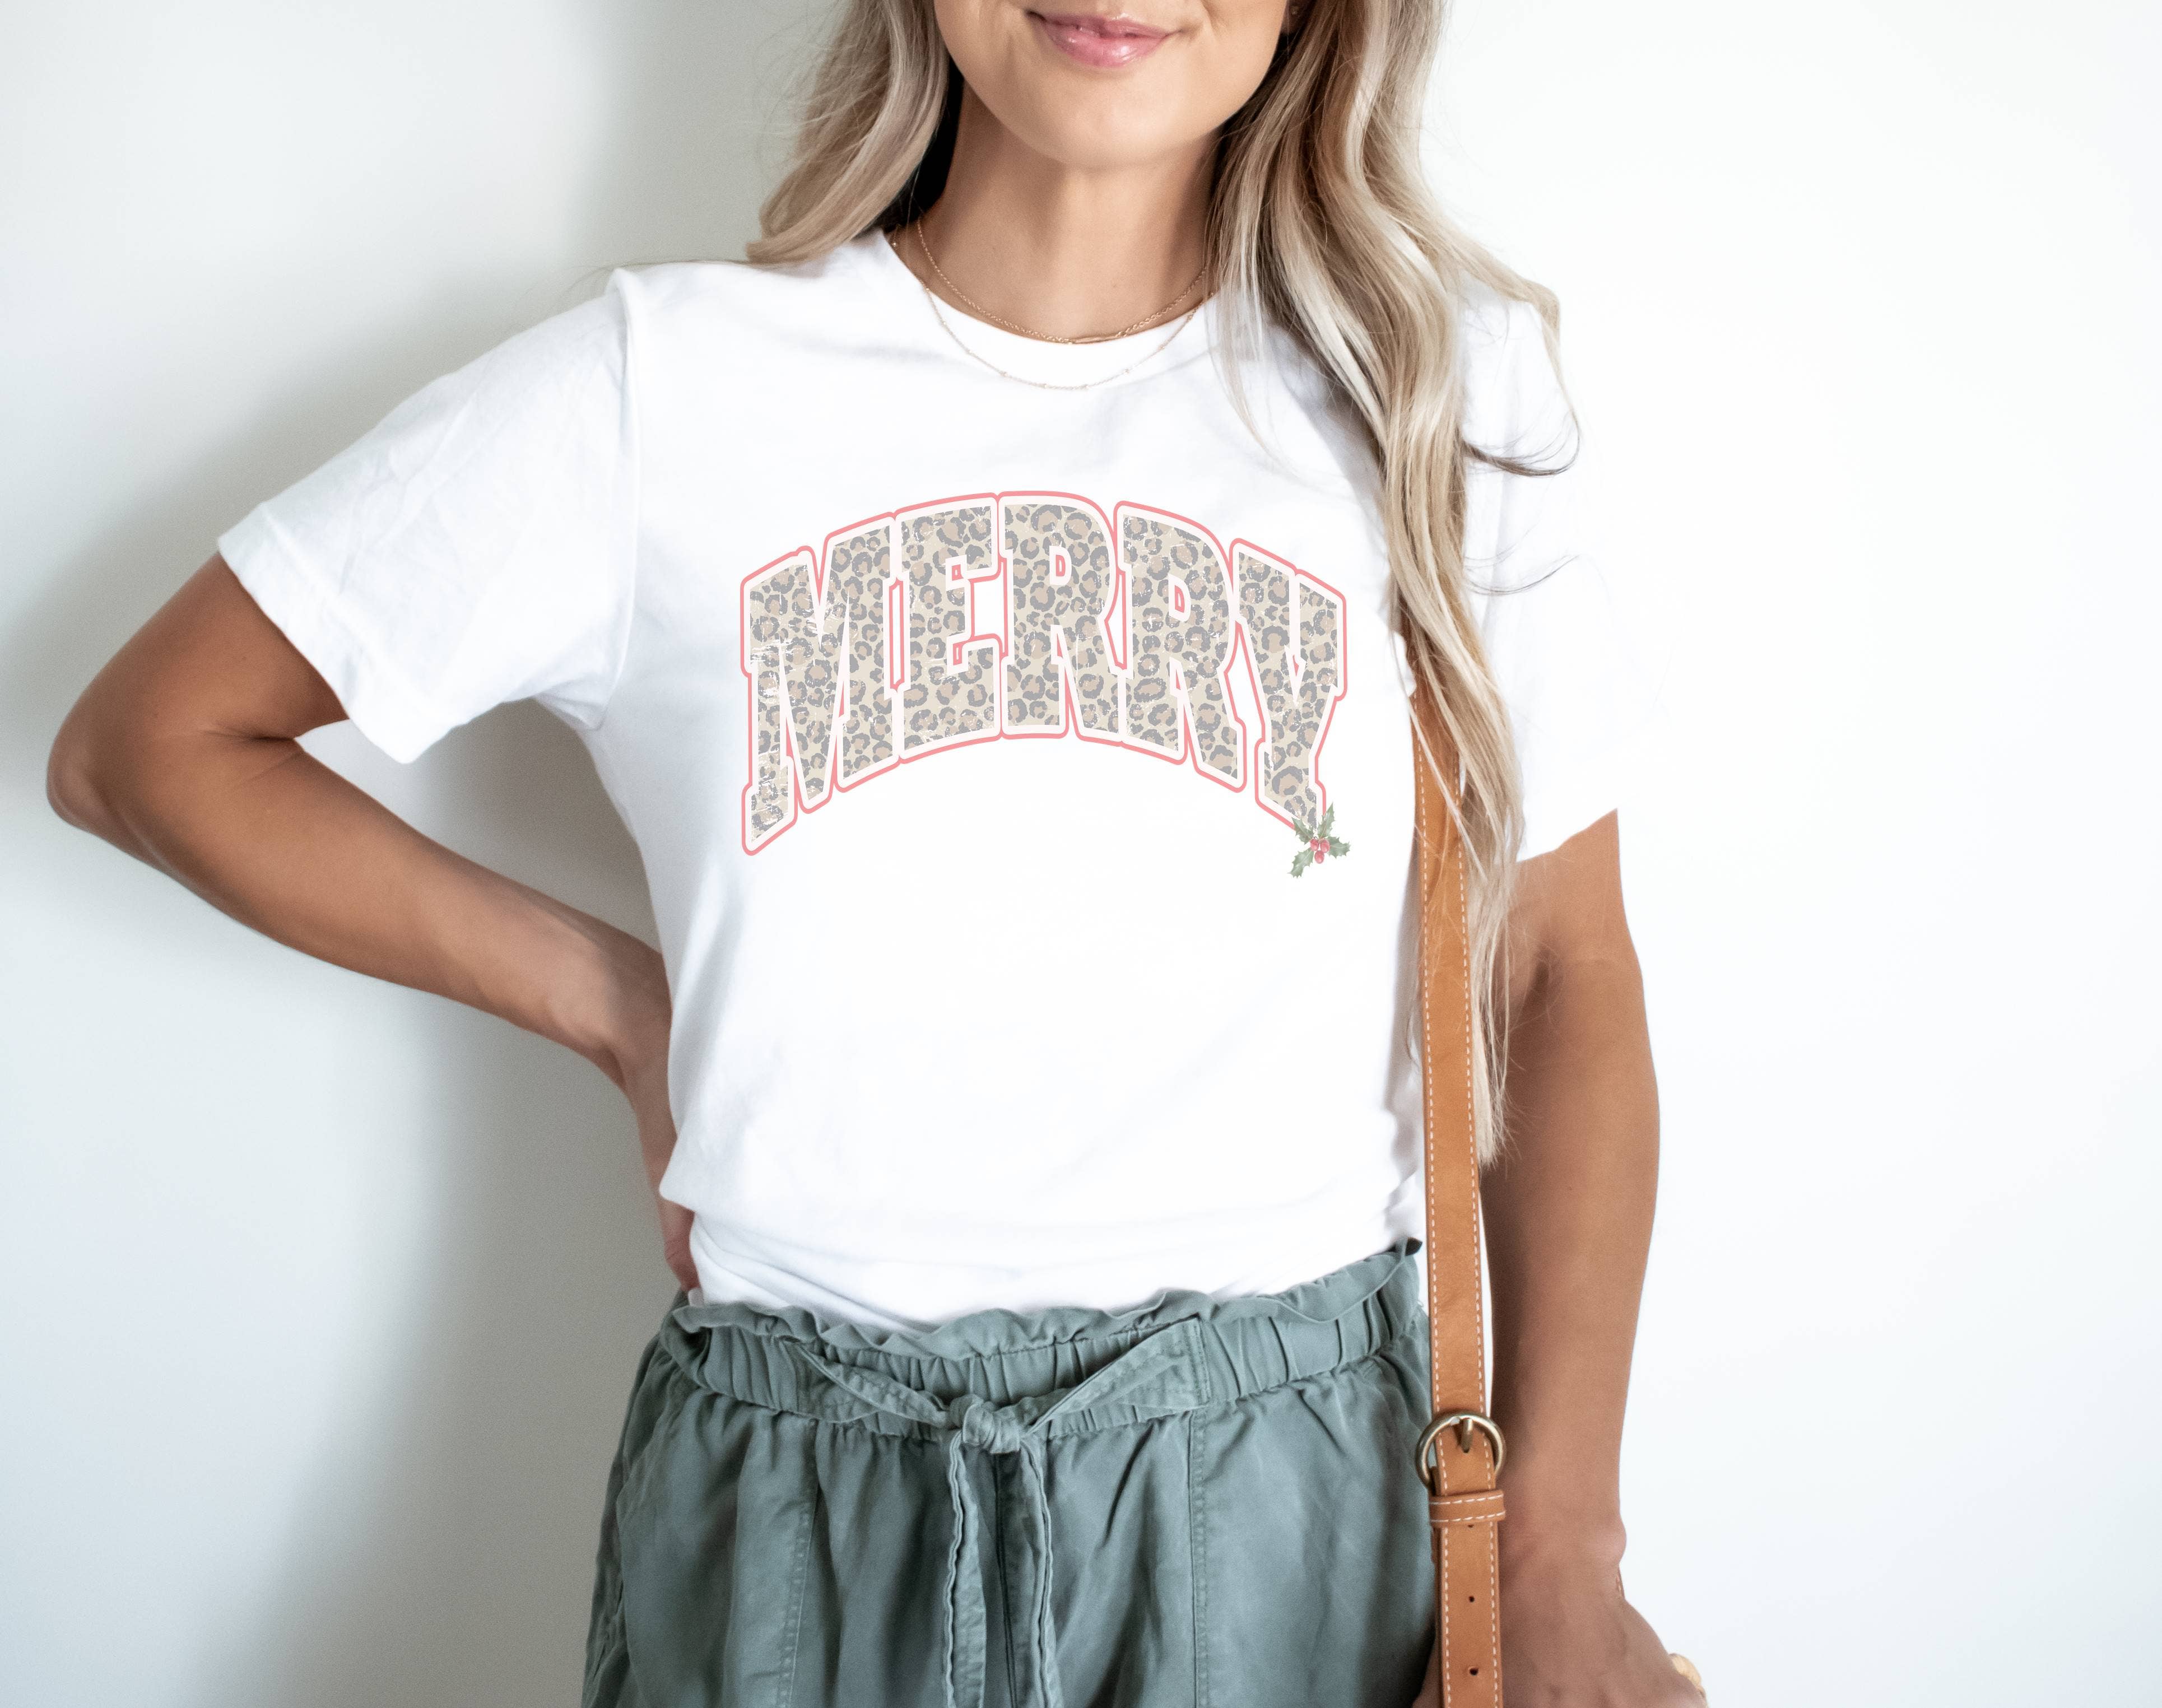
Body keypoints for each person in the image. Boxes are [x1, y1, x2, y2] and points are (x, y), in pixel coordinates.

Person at [48, 2, 1695, 1703]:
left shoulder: (1431, 392)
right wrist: (615, 1005)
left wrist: (1559, 1551)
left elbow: (1554, 966)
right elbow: (147, 747)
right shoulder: (661, 393)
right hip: (801, 1521)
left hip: (1294, 1519)